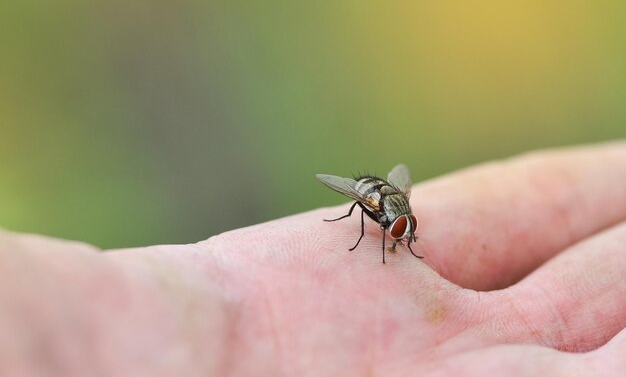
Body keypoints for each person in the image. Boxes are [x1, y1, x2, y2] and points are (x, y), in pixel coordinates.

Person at [1, 142, 625, 376]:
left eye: (400, 227)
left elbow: (400, 203)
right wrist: (367, 227)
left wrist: (403, 229)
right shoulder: (371, 207)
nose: (398, 231)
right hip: (367, 192)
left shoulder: (401, 211)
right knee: (357, 213)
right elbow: (372, 203)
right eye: (396, 228)